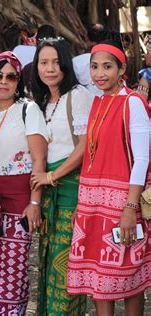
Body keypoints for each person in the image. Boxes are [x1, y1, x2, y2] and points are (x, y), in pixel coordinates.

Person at [67, 41, 151, 315]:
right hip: (93, 204)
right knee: (99, 279)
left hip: (123, 202)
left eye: (107, 67)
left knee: (130, 278)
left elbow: (142, 159)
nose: (99, 73)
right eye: (94, 67)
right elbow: (92, 157)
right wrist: (82, 206)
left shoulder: (133, 103)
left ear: (122, 69)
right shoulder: (97, 102)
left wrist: (130, 207)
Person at [0, 51, 47, 315]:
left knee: (12, 274)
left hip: (19, 203)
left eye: (11, 76)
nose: (3, 81)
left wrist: (34, 202)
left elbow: (39, 161)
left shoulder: (28, 111)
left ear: (19, 80)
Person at [29, 38, 94, 315]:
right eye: (44, 63)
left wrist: (51, 176)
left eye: (56, 62)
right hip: (50, 193)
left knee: (65, 264)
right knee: (47, 261)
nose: (50, 68)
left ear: (66, 64)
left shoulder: (77, 95)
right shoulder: (42, 101)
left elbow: (84, 146)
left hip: (71, 190)